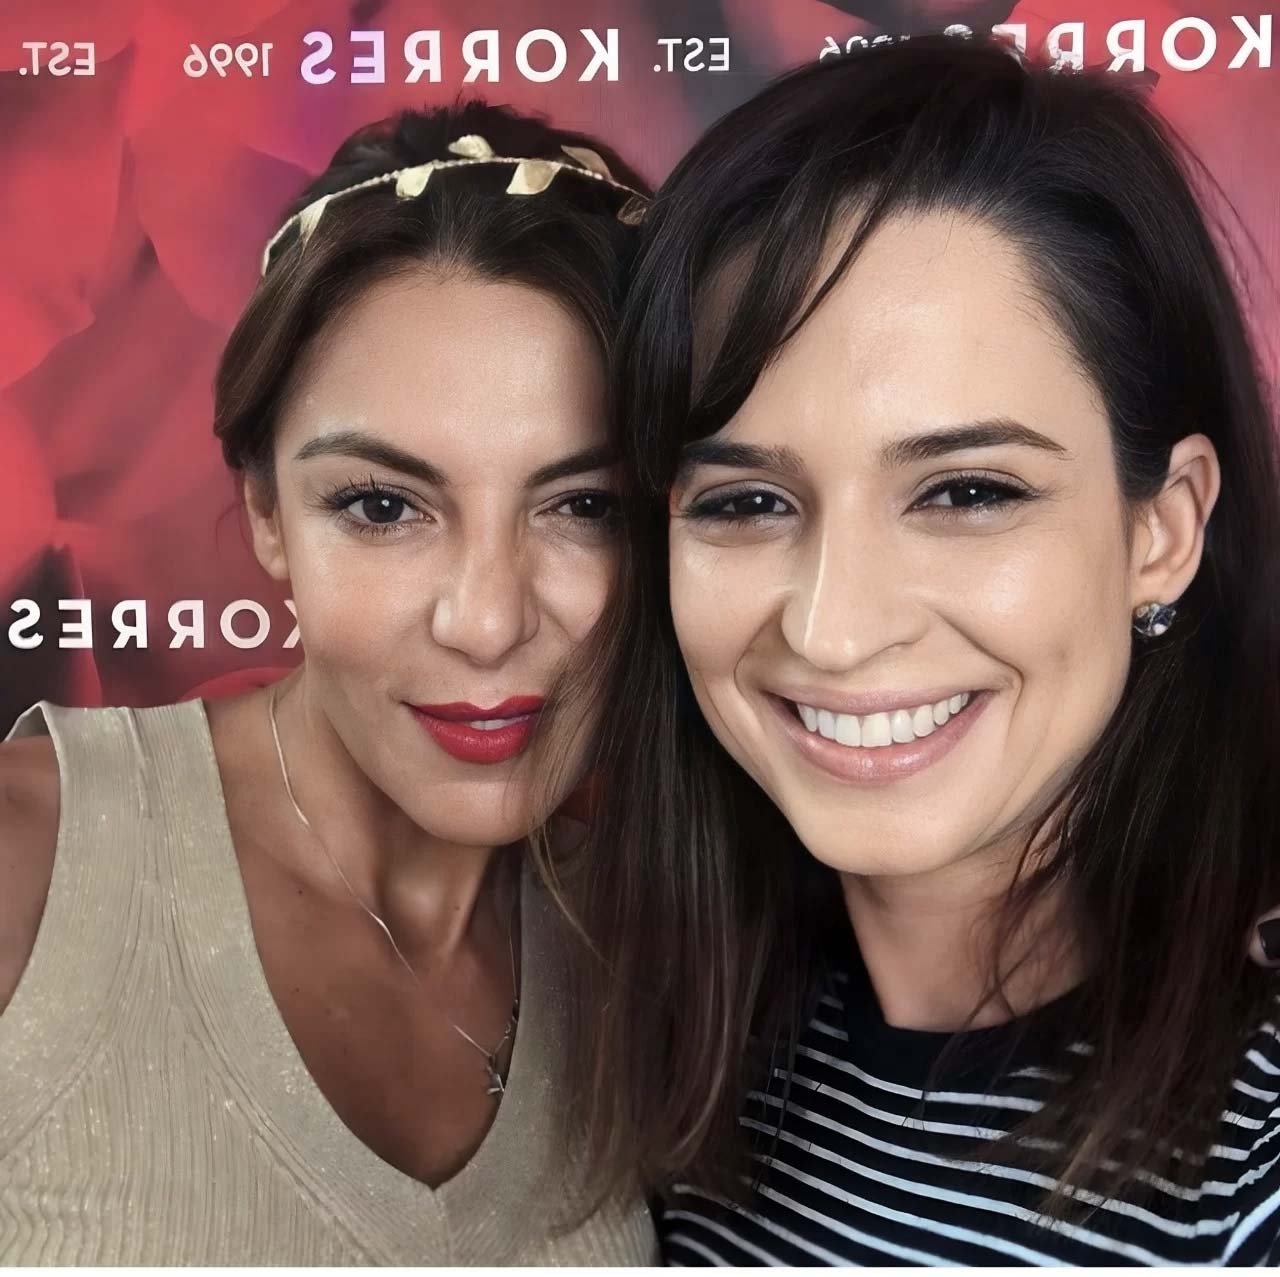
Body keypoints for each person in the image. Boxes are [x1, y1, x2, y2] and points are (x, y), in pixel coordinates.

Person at [609, 35, 1280, 1264]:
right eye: (745, 502)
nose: (831, 627)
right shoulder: (649, 1031)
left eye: (966, 492)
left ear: (1161, 528)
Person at [0, 102, 659, 1264]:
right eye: (383, 505)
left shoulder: (658, 937)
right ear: (266, 512)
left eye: (584, 506)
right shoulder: (26, 864)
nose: (485, 619)